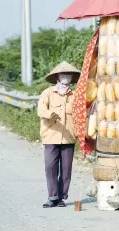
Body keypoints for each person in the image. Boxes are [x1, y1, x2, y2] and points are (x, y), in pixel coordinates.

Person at [37, 61, 80, 208]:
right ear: (57, 76)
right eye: (63, 74)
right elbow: (41, 110)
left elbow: (80, 115)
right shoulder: (47, 93)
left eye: (68, 74)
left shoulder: (75, 96)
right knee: (50, 167)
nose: (66, 77)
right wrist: (51, 114)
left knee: (66, 170)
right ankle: (52, 196)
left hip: (69, 137)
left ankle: (62, 197)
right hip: (50, 135)